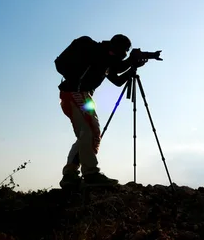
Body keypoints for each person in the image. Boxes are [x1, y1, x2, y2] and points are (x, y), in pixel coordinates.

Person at [55, 34, 147, 189]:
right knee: (91, 131)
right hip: (75, 93)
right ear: (116, 47)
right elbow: (117, 66)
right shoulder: (98, 52)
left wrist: (132, 66)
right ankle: (90, 174)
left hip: (78, 94)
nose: (124, 54)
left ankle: (70, 174)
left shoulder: (104, 58)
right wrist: (131, 61)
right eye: (124, 51)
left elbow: (117, 80)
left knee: (86, 134)